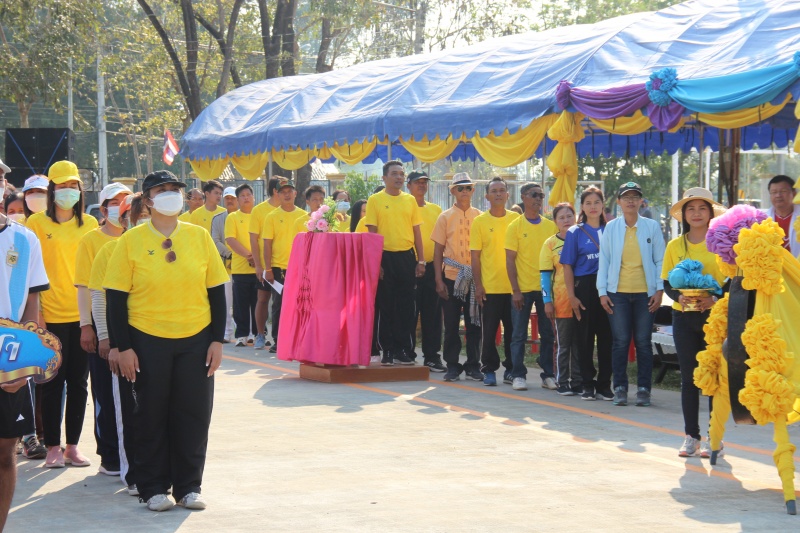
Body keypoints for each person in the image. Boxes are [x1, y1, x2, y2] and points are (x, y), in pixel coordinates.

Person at [104, 170, 228, 512]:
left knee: (193, 414)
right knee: (150, 415)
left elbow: (216, 291)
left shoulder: (199, 236)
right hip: (146, 338)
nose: (171, 194)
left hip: (196, 338)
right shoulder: (130, 241)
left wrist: (217, 340)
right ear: (148, 200)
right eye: (163, 190)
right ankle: (153, 487)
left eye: (176, 189)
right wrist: (123, 346)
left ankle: (189, 486)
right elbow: (115, 298)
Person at [25, 160, 99, 468]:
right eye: (62, 186)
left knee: (79, 382)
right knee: (52, 382)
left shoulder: (90, 224)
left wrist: (92, 318)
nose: (68, 191)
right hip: (50, 314)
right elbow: (30, 274)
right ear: (52, 189)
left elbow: (95, 271)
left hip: (83, 316)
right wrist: (37, 314)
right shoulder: (36, 224)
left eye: (73, 186)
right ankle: (52, 446)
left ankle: (72, 446)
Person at [89, 193, 147, 496]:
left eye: (147, 214)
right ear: (124, 221)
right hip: (124, 343)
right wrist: (108, 340)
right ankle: (133, 473)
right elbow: (100, 298)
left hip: (158, 342)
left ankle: (157, 470)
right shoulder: (111, 250)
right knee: (128, 409)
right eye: (136, 217)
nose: (143, 221)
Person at [662, 188, 726, 457]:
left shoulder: (721, 242)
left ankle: (715, 438)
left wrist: (714, 299)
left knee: (713, 377)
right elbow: (666, 282)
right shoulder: (674, 246)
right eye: (691, 208)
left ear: (710, 213)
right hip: (683, 317)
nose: (696, 213)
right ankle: (691, 436)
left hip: (714, 317)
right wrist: (679, 297)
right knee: (689, 378)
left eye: (702, 208)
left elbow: (732, 280)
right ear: (684, 215)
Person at [75, 182, 132, 476]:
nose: (120, 206)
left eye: (125, 200)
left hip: (133, 329)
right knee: (105, 394)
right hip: (102, 328)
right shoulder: (92, 241)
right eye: (114, 201)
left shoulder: (136, 238)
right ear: (103, 207)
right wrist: (87, 326)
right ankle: (109, 455)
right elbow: (86, 288)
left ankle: (130, 454)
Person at [0, 201, 49, 531]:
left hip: (8, 355)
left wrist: (24, 362)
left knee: (5, 454)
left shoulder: (24, 239)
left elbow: (32, 301)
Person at [598, 181, 665, 407]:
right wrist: (602, 292)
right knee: (620, 342)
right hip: (617, 293)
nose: (631, 201)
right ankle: (620, 388)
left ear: (641, 201)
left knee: (644, 342)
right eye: (626, 197)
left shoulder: (651, 227)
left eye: (635, 197)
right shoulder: (611, 228)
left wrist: (659, 290)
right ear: (619, 202)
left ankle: (644, 389)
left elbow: (660, 260)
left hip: (646, 293)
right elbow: (604, 261)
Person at [365, 160, 425, 366]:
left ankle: (402, 349)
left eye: (401, 174)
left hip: (406, 257)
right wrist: (376, 263)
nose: (399, 177)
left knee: (406, 306)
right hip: (384, 257)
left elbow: (417, 231)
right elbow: (372, 233)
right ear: (384, 177)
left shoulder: (410, 200)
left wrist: (421, 260)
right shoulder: (375, 200)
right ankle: (387, 350)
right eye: (394, 174)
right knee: (386, 305)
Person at [561, 186, 612, 401]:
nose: (593, 207)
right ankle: (587, 384)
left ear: (603, 205)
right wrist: (572, 296)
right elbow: (567, 266)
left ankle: (604, 385)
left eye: (597, 202)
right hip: (585, 288)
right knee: (584, 338)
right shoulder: (575, 232)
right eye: (588, 203)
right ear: (582, 206)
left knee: (608, 338)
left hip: (608, 288)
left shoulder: (611, 230)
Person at [505, 183, 557, 391]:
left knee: (548, 334)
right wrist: (515, 291)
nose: (538, 199)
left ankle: (548, 374)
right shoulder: (515, 226)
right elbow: (510, 261)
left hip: (545, 291)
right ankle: (518, 374)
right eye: (534, 195)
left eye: (541, 195)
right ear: (523, 197)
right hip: (523, 290)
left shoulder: (551, 227)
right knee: (518, 334)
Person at [432, 172, 483, 382]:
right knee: (451, 324)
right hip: (452, 276)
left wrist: (482, 281)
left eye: (468, 187)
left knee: (475, 322)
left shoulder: (480, 216)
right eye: (460, 188)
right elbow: (438, 251)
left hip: (475, 277)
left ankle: (473, 365)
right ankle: (452, 365)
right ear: (452, 191)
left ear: (473, 190)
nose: (464, 191)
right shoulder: (444, 217)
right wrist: (438, 280)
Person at [470, 177, 519, 386]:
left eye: (501, 190)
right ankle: (489, 370)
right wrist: (478, 286)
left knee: (513, 332)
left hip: (514, 289)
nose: (498, 194)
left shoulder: (516, 219)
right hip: (490, 288)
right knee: (489, 332)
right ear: (487, 196)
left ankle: (512, 369)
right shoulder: (480, 222)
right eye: (494, 191)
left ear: (508, 195)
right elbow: (475, 257)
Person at [261, 178, 308, 354]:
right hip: (278, 268)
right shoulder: (272, 217)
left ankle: (298, 340)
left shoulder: (304, 216)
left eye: (290, 191)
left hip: (299, 268)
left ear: (295, 193)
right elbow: (267, 244)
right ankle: (278, 340)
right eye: (283, 192)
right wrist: (268, 269)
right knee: (279, 304)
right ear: (277, 194)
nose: (287, 195)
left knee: (300, 304)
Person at [540, 203, 581, 395]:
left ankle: (578, 381)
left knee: (579, 344)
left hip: (582, 302)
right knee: (563, 345)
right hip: (561, 302)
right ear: (555, 221)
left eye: (569, 216)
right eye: (561, 217)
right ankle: (562, 381)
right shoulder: (550, 244)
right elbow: (545, 276)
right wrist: (547, 301)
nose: (566, 220)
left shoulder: (583, 238)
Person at [406, 170, 444, 370]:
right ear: (408, 186)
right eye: (417, 182)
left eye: (424, 182)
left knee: (433, 314)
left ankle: (432, 356)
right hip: (409, 266)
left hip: (432, 267)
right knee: (409, 313)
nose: (421, 185)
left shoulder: (436, 210)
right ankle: (408, 353)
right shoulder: (404, 207)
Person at [250, 177, 282, 350]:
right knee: (263, 299)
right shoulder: (259, 210)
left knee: (281, 303)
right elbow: (254, 240)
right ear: (275, 191)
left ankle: (281, 337)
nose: (287, 192)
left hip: (282, 266)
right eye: (283, 188)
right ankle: (260, 334)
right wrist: (258, 265)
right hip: (265, 265)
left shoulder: (290, 209)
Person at [225, 184, 258, 347]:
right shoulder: (232, 217)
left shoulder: (260, 216)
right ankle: (242, 335)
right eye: (242, 195)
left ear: (253, 197)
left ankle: (258, 334)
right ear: (238, 200)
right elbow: (230, 239)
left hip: (259, 268)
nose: (246, 198)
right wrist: (249, 256)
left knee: (258, 303)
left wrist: (257, 259)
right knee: (240, 304)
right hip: (240, 268)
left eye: (248, 195)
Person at [211, 186, 239, 343]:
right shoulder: (218, 218)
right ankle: (227, 333)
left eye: (233, 198)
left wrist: (242, 255)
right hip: (225, 265)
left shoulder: (247, 216)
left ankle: (247, 332)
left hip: (245, 265)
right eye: (227, 198)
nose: (230, 201)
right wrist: (230, 254)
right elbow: (215, 240)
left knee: (243, 301)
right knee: (226, 302)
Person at [763, 175, 800, 256]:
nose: (778, 195)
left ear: (794, 194)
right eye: (774, 192)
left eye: (783, 191)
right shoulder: (762, 220)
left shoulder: (798, 216)